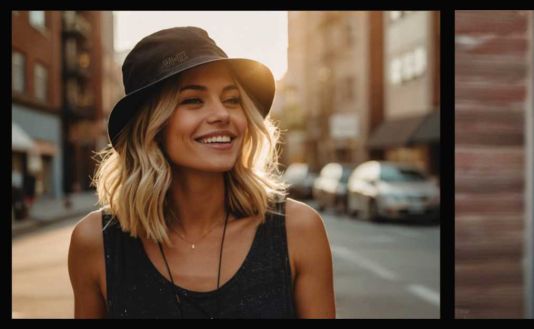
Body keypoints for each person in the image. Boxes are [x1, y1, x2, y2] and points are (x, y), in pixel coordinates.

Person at [68, 27, 335, 318]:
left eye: (232, 100)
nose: (222, 114)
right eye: (193, 100)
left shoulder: (298, 231)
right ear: (152, 126)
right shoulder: (95, 243)